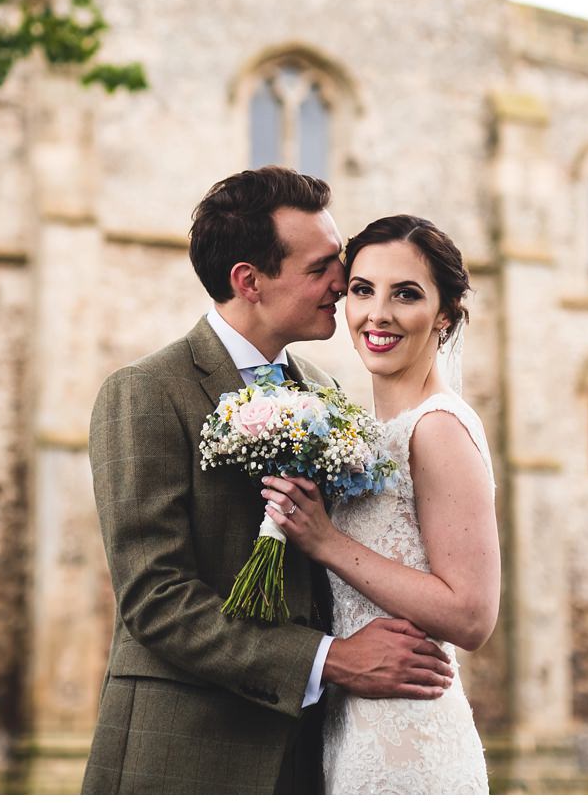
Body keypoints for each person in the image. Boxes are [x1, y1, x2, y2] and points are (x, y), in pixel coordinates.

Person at [82, 169, 457, 794]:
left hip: (314, 755)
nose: (342, 283)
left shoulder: (323, 389)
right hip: (186, 752)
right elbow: (154, 598)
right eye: (319, 269)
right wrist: (331, 660)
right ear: (248, 281)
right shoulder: (146, 392)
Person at [261, 214, 499, 794]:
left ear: (444, 315)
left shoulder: (437, 428)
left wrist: (326, 542)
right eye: (363, 290)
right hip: (351, 730)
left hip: (410, 745)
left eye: (407, 295)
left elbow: (472, 614)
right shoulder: (364, 433)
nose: (378, 314)